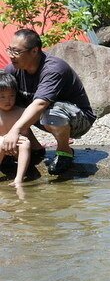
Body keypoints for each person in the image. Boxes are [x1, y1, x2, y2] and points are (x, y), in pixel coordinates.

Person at [1, 29, 95, 175]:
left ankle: (65, 152)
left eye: (16, 52)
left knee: (52, 113)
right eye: (10, 50)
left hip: (77, 119)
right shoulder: (13, 69)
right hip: (44, 117)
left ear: (34, 51)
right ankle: (35, 148)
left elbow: (40, 104)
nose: (11, 56)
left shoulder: (54, 69)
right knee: (5, 105)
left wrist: (14, 131)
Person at [0, 71, 44, 191]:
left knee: (25, 142)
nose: (7, 100)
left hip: (19, 151)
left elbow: (26, 133)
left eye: (11, 96)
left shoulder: (21, 112)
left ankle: (18, 179)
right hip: (2, 151)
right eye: (2, 97)